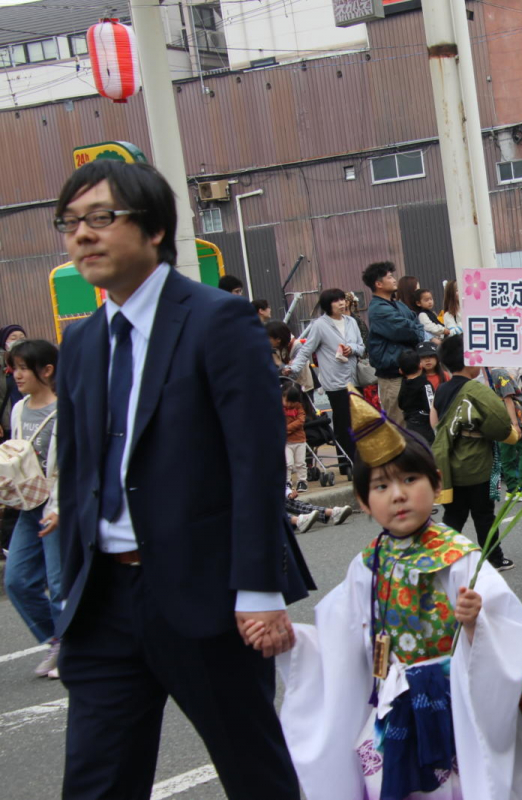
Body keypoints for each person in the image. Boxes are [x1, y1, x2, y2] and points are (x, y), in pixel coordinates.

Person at [52, 160, 312, 799]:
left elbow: (254, 461)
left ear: (154, 230)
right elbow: (79, 470)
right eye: (71, 223)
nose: (83, 235)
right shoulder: (83, 343)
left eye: (101, 219)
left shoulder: (215, 321)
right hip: (105, 601)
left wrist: (257, 587)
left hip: (207, 596)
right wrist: (69, 584)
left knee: (255, 774)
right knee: (96, 781)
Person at [273, 394, 522, 799]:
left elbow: (509, 634)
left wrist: (477, 624)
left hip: (453, 702)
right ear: (364, 503)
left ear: (437, 484)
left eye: (409, 480)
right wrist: (293, 642)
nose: (398, 495)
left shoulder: (458, 559)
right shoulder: (367, 565)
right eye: (381, 486)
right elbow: (341, 639)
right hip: (393, 705)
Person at [432, 334, 519, 571]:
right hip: (477, 462)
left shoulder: (441, 390)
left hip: (450, 462)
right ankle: (494, 557)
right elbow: (500, 426)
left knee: (454, 515)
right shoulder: (476, 390)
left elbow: (434, 422)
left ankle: (442, 559)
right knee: (484, 515)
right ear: (470, 361)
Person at [4, 339, 64, 678]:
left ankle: (70, 648)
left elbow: (68, 466)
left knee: (58, 584)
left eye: (23, 368)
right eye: (14, 368)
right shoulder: (19, 409)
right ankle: (57, 640)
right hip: (28, 506)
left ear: (47, 370)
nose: (16, 374)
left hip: (56, 508)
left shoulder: (63, 410)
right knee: (16, 581)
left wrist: (58, 508)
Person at [287, 288, 365, 473]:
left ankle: (357, 460)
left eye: (342, 300)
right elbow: (307, 349)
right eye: (336, 301)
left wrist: (351, 349)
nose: (341, 303)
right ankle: (347, 463)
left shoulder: (351, 322)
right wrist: (294, 368)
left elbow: (362, 347)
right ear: (327, 305)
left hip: (353, 377)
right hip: (335, 380)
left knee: (357, 419)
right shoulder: (320, 325)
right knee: (343, 419)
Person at [363, 261, 424, 427]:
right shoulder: (378, 309)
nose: (394, 279)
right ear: (378, 284)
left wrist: (417, 330)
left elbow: (417, 326)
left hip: (410, 372)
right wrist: (416, 331)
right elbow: (407, 330)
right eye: (390, 277)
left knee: (416, 422)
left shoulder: (398, 305)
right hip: (392, 376)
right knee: (400, 424)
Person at [486, 365, 522, 500]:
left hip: (500, 419)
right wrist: (515, 424)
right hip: (515, 418)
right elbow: (508, 399)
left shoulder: (488, 374)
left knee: (507, 454)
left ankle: (512, 489)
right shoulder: (501, 373)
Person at [397, 349, 437, 444]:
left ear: (401, 371)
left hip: (410, 425)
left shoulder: (404, 383)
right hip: (425, 428)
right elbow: (431, 406)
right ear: (420, 365)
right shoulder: (425, 385)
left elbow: (401, 403)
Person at [266, 321, 313, 394]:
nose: (266, 341)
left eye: (268, 338)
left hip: (302, 388)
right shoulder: (275, 347)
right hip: (286, 389)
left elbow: (294, 374)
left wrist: (279, 363)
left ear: (278, 339)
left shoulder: (297, 346)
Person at [0, 323, 26, 437]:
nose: (18, 341)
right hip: (7, 423)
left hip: (27, 420)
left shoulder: (32, 361)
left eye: (22, 338)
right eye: (13, 338)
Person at [283, 384, 309, 491]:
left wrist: (286, 429)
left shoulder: (299, 408)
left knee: (300, 463)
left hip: (299, 440)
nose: (288, 404)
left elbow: (300, 421)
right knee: (287, 463)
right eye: (286, 401)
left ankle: (302, 481)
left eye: (291, 402)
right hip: (286, 441)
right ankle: (287, 482)